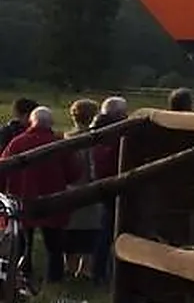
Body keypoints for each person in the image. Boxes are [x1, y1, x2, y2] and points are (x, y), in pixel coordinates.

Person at [0, 106, 82, 285]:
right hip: (53, 201)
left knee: (22, 244)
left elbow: (3, 169)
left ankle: (20, 279)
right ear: (50, 123)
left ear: (31, 121)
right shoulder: (58, 144)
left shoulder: (17, 143)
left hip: (22, 200)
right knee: (54, 246)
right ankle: (55, 280)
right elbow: (74, 173)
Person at [88, 96, 129, 285]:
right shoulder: (115, 135)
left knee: (106, 232)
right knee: (112, 233)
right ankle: (108, 273)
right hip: (116, 186)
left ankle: (100, 271)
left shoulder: (97, 131)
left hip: (104, 185)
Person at [63, 99, 103, 279]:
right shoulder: (94, 139)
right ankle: (85, 268)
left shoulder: (65, 138)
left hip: (68, 190)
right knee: (90, 232)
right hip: (89, 190)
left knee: (70, 231)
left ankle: (69, 266)